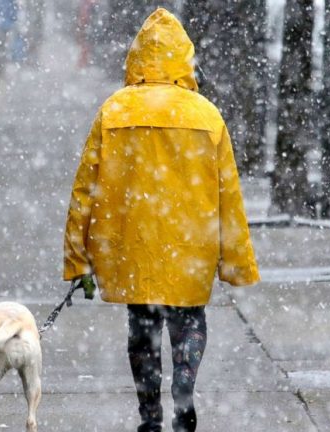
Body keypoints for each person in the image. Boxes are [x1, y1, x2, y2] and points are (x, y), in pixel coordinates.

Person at [63, 8, 260, 432]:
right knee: (189, 320)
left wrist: (79, 259)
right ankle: (184, 395)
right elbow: (229, 195)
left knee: (143, 328)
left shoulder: (114, 111)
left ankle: (150, 416)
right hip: (191, 243)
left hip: (133, 244)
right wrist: (235, 262)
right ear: (183, 59)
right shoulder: (206, 115)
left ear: (135, 59)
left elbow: (85, 192)